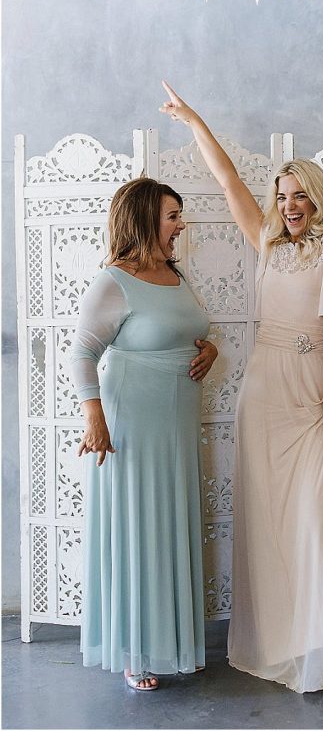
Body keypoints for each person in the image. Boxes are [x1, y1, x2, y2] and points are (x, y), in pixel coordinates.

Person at [159, 81, 323, 693]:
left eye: (300, 195)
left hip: (312, 391)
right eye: (282, 196)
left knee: (313, 519)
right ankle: (277, 639)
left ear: (317, 198)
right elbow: (227, 180)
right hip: (264, 391)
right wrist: (194, 120)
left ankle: (317, 642)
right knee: (269, 521)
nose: (290, 205)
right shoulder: (268, 243)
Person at [70, 178, 218, 692]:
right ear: (144, 218)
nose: (181, 225)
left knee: (169, 526)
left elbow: (187, 332)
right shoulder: (113, 280)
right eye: (173, 215)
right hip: (130, 422)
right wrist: (95, 418)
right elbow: (81, 353)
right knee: (138, 528)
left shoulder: (175, 274)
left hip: (176, 426)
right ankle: (135, 650)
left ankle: (170, 643)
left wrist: (210, 350)